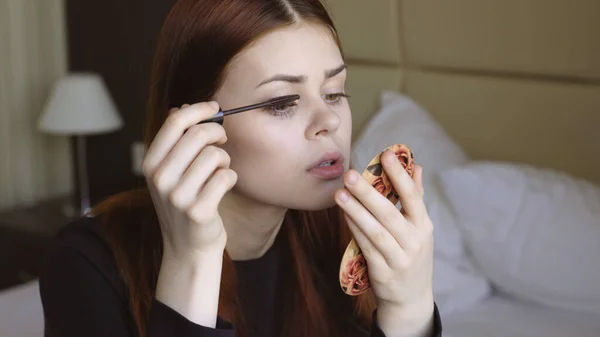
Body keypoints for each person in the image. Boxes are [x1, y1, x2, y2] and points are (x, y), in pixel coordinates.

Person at [38, 0, 442, 336]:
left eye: (335, 93)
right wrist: (189, 259)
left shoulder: (341, 246)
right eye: (282, 102)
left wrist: (410, 308)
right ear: (196, 125)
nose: (331, 121)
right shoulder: (85, 263)